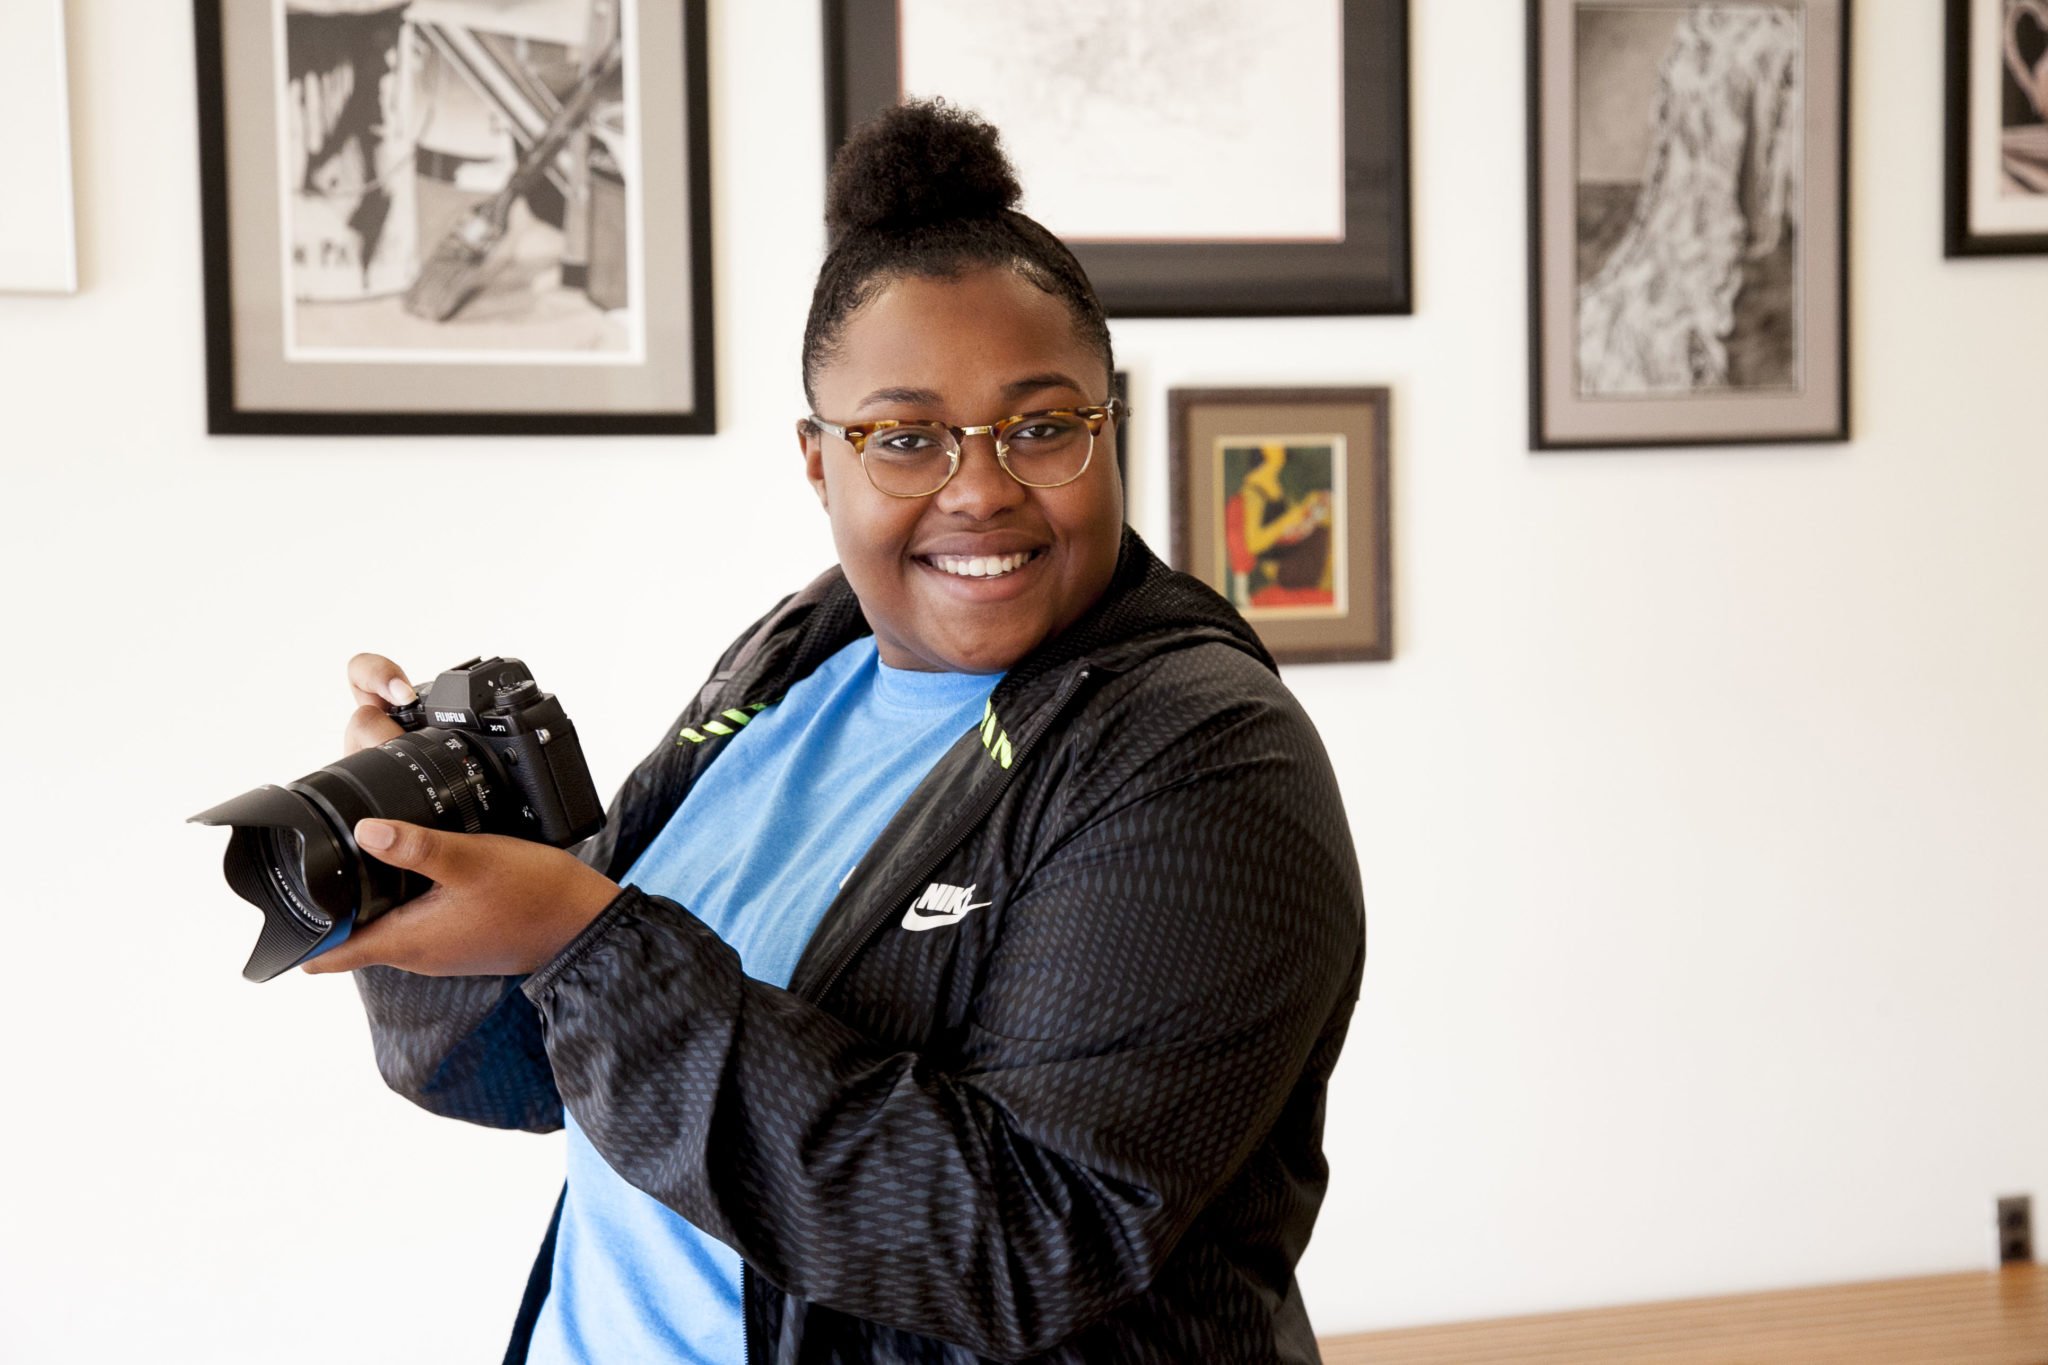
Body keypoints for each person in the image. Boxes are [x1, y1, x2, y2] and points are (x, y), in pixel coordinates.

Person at [313, 101, 1365, 1363]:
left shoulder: (1200, 756)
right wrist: (432, 850)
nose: (979, 486)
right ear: (818, 462)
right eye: (904, 438)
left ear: (1107, 425)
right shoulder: (801, 653)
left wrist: (580, 939)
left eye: (1040, 426)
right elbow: (523, 1076)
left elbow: (1021, 1243)